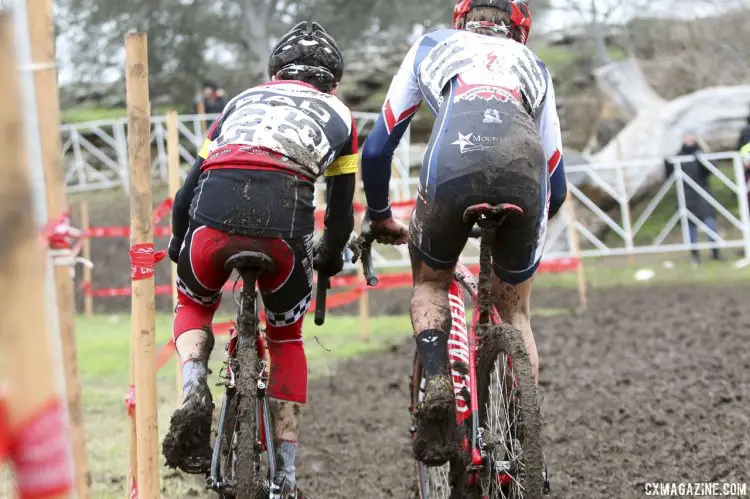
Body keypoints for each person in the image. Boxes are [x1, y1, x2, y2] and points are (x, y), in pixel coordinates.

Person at [359, 0, 567, 466]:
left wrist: (378, 213)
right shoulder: (533, 64)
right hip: (523, 172)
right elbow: (556, 179)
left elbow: (376, 149)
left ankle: (436, 380)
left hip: (453, 166)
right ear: (518, 28)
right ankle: (521, 445)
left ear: (463, 19)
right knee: (515, 316)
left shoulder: (432, 45)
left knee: (431, 281)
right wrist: (529, 230)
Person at [162, 22, 357, 499]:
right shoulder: (341, 114)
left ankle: (192, 388)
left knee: (194, 305)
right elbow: (340, 214)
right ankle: (285, 478)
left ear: (275, 72)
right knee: (287, 336)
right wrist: (328, 258)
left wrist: (177, 243)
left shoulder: (239, 101)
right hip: (283, 223)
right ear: (333, 81)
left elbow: (189, 188)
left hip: (214, 213)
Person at [666, 130, 722, 265]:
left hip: (703, 192)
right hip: (687, 195)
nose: (689, 139)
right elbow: (670, 176)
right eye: (687, 137)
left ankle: (715, 252)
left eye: (691, 137)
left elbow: (712, 169)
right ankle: (695, 254)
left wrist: (702, 159)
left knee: (710, 222)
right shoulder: (678, 156)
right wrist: (667, 163)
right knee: (690, 226)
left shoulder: (701, 152)